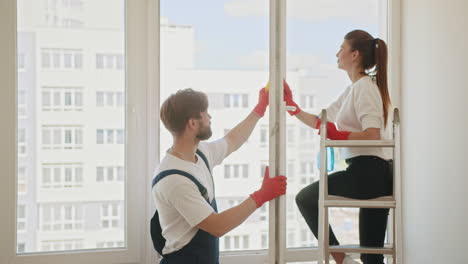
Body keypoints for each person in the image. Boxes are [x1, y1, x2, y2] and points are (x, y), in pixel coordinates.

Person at [284, 30, 393, 264]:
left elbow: (372, 134)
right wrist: (292, 107)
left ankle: (341, 258)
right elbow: (322, 122)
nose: (337, 53)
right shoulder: (353, 89)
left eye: (341, 48)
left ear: (354, 55)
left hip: (369, 173)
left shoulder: (365, 87)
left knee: (306, 198)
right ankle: (344, 258)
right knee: (371, 258)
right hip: (369, 172)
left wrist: (338, 134)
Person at [151, 87, 287, 264]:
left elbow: (232, 140)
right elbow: (217, 226)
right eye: (205, 113)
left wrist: (259, 109)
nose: (210, 118)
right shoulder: (175, 179)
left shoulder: (199, 154)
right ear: (192, 123)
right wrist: (261, 196)